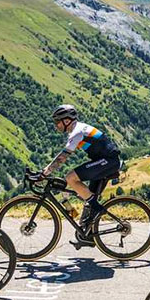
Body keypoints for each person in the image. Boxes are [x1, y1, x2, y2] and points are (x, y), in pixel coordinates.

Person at [37, 104, 122, 245]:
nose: (56, 125)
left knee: (71, 178)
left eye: (57, 121)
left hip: (108, 161)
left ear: (66, 121)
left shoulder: (77, 132)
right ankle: (87, 236)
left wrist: (46, 171)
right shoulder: (78, 129)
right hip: (104, 161)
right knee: (87, 198)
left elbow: (63, 157)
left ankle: (97, 208)